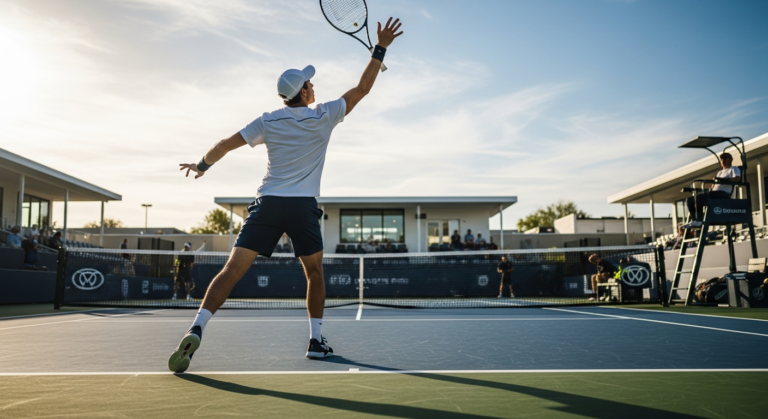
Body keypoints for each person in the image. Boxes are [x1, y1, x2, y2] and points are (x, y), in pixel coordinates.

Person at [169, 18, 404, 373]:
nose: (314, 85)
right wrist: (380, 48)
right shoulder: (324, 115)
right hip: (302, 206)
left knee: (232, 270)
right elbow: (362, 89)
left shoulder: (268, 120)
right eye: (310, 82)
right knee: (314, 274)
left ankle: (196, 327)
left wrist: (202, 166)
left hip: (268, 203)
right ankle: (315, 341)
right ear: (305, 92)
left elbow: (223, 146)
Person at [683, 152, 741, 229]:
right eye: (721, 159)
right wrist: (712, 186)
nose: (722, 161)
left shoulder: (734, 169)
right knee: (690, 200)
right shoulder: (720, 172)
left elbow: (737, 179)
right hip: (714, 192)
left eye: (724, 159)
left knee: (698, 198)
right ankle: (694, 220)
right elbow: (714, 184)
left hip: (723, 193)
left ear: (729, 160)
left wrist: (722, 180)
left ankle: (699, 220)